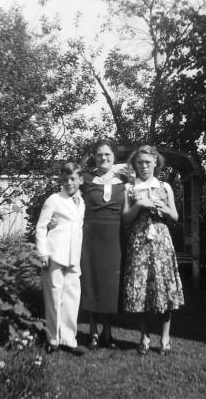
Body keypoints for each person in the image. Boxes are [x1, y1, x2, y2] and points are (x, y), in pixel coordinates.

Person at [122, 145, 184, 355]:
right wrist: (139, 204)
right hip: (139, 244)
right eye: (140, 162)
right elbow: (125, 219)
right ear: (134, 165)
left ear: (156, 163)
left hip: (161, 244)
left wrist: (161, 207)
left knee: (163, 289)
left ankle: (165, 337)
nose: (144, 166)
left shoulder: (165, 186)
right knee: (141, 290)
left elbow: (175, 217)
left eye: (148, 162)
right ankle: (144, 336)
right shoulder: (129, 188)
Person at [36, 162, 85, 355]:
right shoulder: (54, 199)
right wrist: (42, 253)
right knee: (54, 296)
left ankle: (68, 339)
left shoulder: (82, 202)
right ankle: (52, 339)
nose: (69, 182)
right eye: (65, 179)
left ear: (81, 180)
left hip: (74, 257)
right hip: (55, 254)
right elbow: (41, 227)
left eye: (73, 179)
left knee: (72, 298)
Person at [81, 139, 125, 350]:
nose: (104, 158)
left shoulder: (124, 181)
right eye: (99, 155)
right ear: (94, 157)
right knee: (90, 282)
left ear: (114, 157)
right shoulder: (86, 179)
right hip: (90, 238)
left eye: (107, 155)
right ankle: (93, 332)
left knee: (109, 285)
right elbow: (70, 199)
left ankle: (108, 332)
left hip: (113, 239)